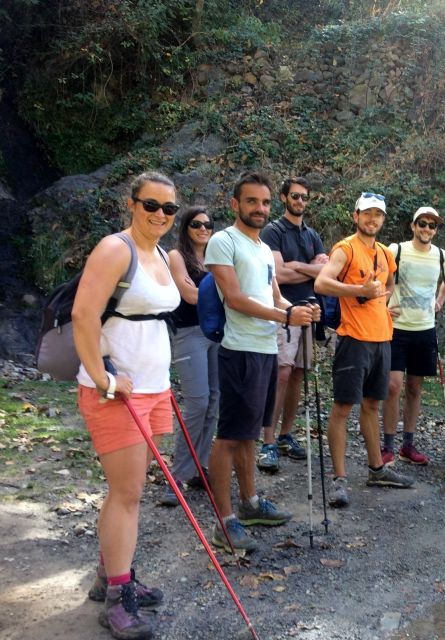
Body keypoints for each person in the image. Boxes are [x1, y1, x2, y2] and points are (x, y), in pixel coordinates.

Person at [73, 171, 180, 639]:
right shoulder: (115, 248)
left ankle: (108, 572)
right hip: (116, 391)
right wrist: (102, 377)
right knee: (129, 492)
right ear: (132, 204)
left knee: (127, 488)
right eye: (150, 205)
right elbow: (82, 314)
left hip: (153, 387)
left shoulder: (158, 252)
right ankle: (118, 595)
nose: (160, 215)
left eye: (168, 208)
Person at [205, 171, 317, 552]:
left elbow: (275, 296)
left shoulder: (262, 249)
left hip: (266, 350)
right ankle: (224, 521)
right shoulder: (223, 241)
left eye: (265, 202)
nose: (260, 208)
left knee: (251, 432)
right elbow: (234, 298)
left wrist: (299, 308)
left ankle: (250, 504)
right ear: (235, 203)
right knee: (230, 435)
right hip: (239, 351)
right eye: (252, 201)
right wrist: (285, 317)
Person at [314, 192, 414, 508]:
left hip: (382, 338)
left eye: (378, 215)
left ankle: (377, 469)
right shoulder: (345, 249)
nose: (373, 219)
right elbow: (321, 283)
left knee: (372, 405)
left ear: (383, 220)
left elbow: (385, 288)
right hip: (353, 340)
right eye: (367, 213)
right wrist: (359, 290)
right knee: (343, 408)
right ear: (355, 216)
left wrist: (386, 307)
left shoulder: (385, 253)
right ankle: (339, 481)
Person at [257, 176, 328, 472]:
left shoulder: (312, 234)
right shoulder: (273, 232)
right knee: (281, 374)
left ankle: (286, 435)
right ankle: (268, 441)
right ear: (284, 197)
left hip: (310, 311)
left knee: (300, 373)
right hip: (284, 311)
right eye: (295, 196)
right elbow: (279, 276)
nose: (300, 202)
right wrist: (308, 269)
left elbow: (324, 275)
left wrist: (297, 265)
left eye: (304, 197)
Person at [381, 206, 445, 466]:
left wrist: (440, 301)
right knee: (393, 386)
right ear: (413, 226)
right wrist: (382, 305)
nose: (426, 229)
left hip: (425, 329)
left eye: (432, 225)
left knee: (414, 388)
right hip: (397, 328)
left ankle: (407, 445)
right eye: (422, 223)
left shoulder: (441, 255)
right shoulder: (396, 250)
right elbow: (381, 279)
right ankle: (388, 446)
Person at [157, 206, 220, 507]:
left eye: (208, 225)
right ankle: (177, 475)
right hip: (189, 333)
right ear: (186, 227)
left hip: (218, 334)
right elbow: (190, 295)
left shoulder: (216, 256)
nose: (203, 229)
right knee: (198, 402)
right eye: (196, 224)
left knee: (214, 401)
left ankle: (200, 466)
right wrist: (225, 291)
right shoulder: (176, 256)